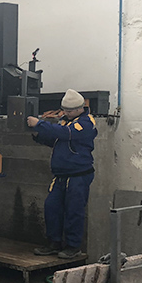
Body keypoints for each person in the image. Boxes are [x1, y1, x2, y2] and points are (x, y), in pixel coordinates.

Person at [26, 89, 97, 259]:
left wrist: (39, 124)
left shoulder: (86, 123)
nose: (66, 113)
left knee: (74, 210)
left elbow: (66, 134)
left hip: (78, 176)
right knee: (52, 208)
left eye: (69, 111)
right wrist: (37, 135)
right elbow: (56, 139)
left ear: (80, 108)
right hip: (60, 176)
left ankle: (73, 246)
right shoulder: (65, 122)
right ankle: (54, 242)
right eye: (65, 110)